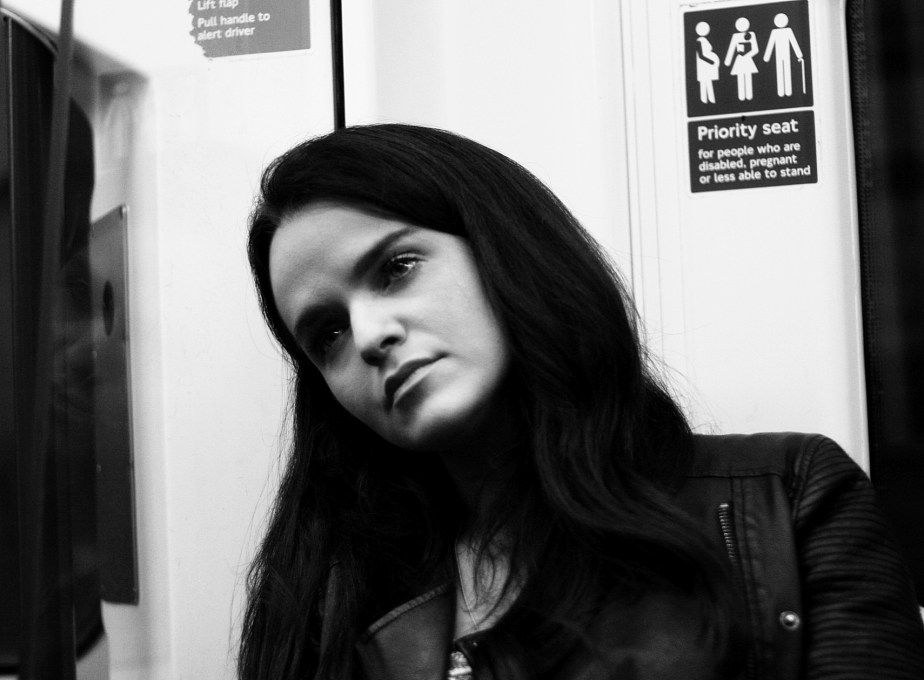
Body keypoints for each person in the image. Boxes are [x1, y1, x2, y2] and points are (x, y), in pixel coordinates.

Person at [239, 123, 924, 680]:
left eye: (397, 268)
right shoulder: (325, 602)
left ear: (505, 249)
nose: (368, 336)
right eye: (327, 333)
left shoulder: (784, 501)